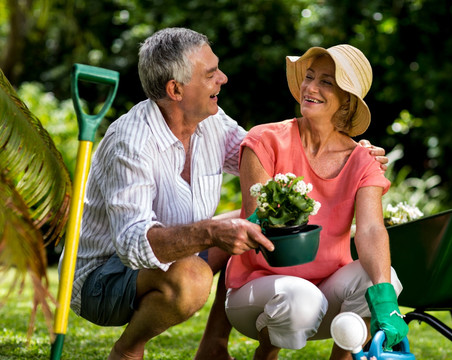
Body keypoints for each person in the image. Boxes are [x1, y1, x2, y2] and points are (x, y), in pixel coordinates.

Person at [60, 27, 389, 360]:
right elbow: (134, 246)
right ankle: (127, 350)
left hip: (164, 260)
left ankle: (213, 345)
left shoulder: (212, 125)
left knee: (247, 219)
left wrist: (347, 153)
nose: (223, 78)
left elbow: (273, 158)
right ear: (175, 89)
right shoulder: (132, 142)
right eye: (210, 74)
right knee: (196, 271)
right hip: (104, 280)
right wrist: (210, 233)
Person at [224, 44, 408, 360]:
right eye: (309, 77)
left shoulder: (362, 160)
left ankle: (344, 357)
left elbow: (370, 231)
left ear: (347, 99)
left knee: (384, 277)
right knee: (302, 298)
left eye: (326, 81)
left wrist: (385, 300)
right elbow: (258, 217)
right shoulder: (265, 140)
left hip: (327, 293)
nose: (310, 87)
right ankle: (266, 355)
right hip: (258, 293)